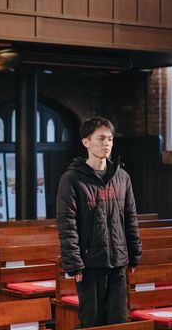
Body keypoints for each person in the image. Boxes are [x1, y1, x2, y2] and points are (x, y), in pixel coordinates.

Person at [56, 116, 142, 327]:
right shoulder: (72, 179)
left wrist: (134, 256)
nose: (107, 144)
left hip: (117, 262)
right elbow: (67, 225)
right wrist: (74, 264)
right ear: (86, 142)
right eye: (101, 139)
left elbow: (130, 218)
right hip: (89, 264)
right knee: (91, 322)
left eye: (110, 139)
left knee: (118, 322)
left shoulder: (122, 177)